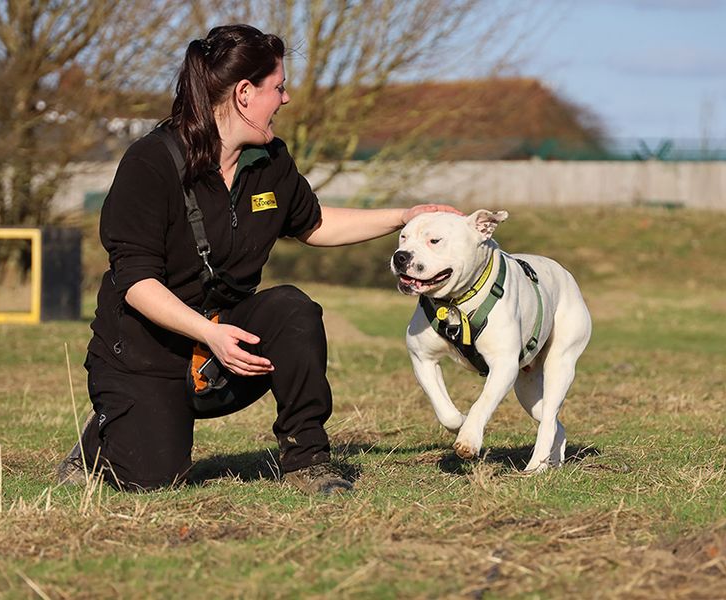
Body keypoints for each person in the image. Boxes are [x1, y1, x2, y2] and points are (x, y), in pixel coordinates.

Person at [57, 24, 458, 495]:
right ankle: (103, 436)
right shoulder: (150, 163)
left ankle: (307, 460)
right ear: (245, 93)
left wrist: (404, 216)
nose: (286, 99)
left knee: (293, 309)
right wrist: (209, 333)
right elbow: (136, 281)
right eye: (280, 87)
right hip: (147, 351)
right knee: (152, 481)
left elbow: (313, 223)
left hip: (225, 341)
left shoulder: (270, 159)